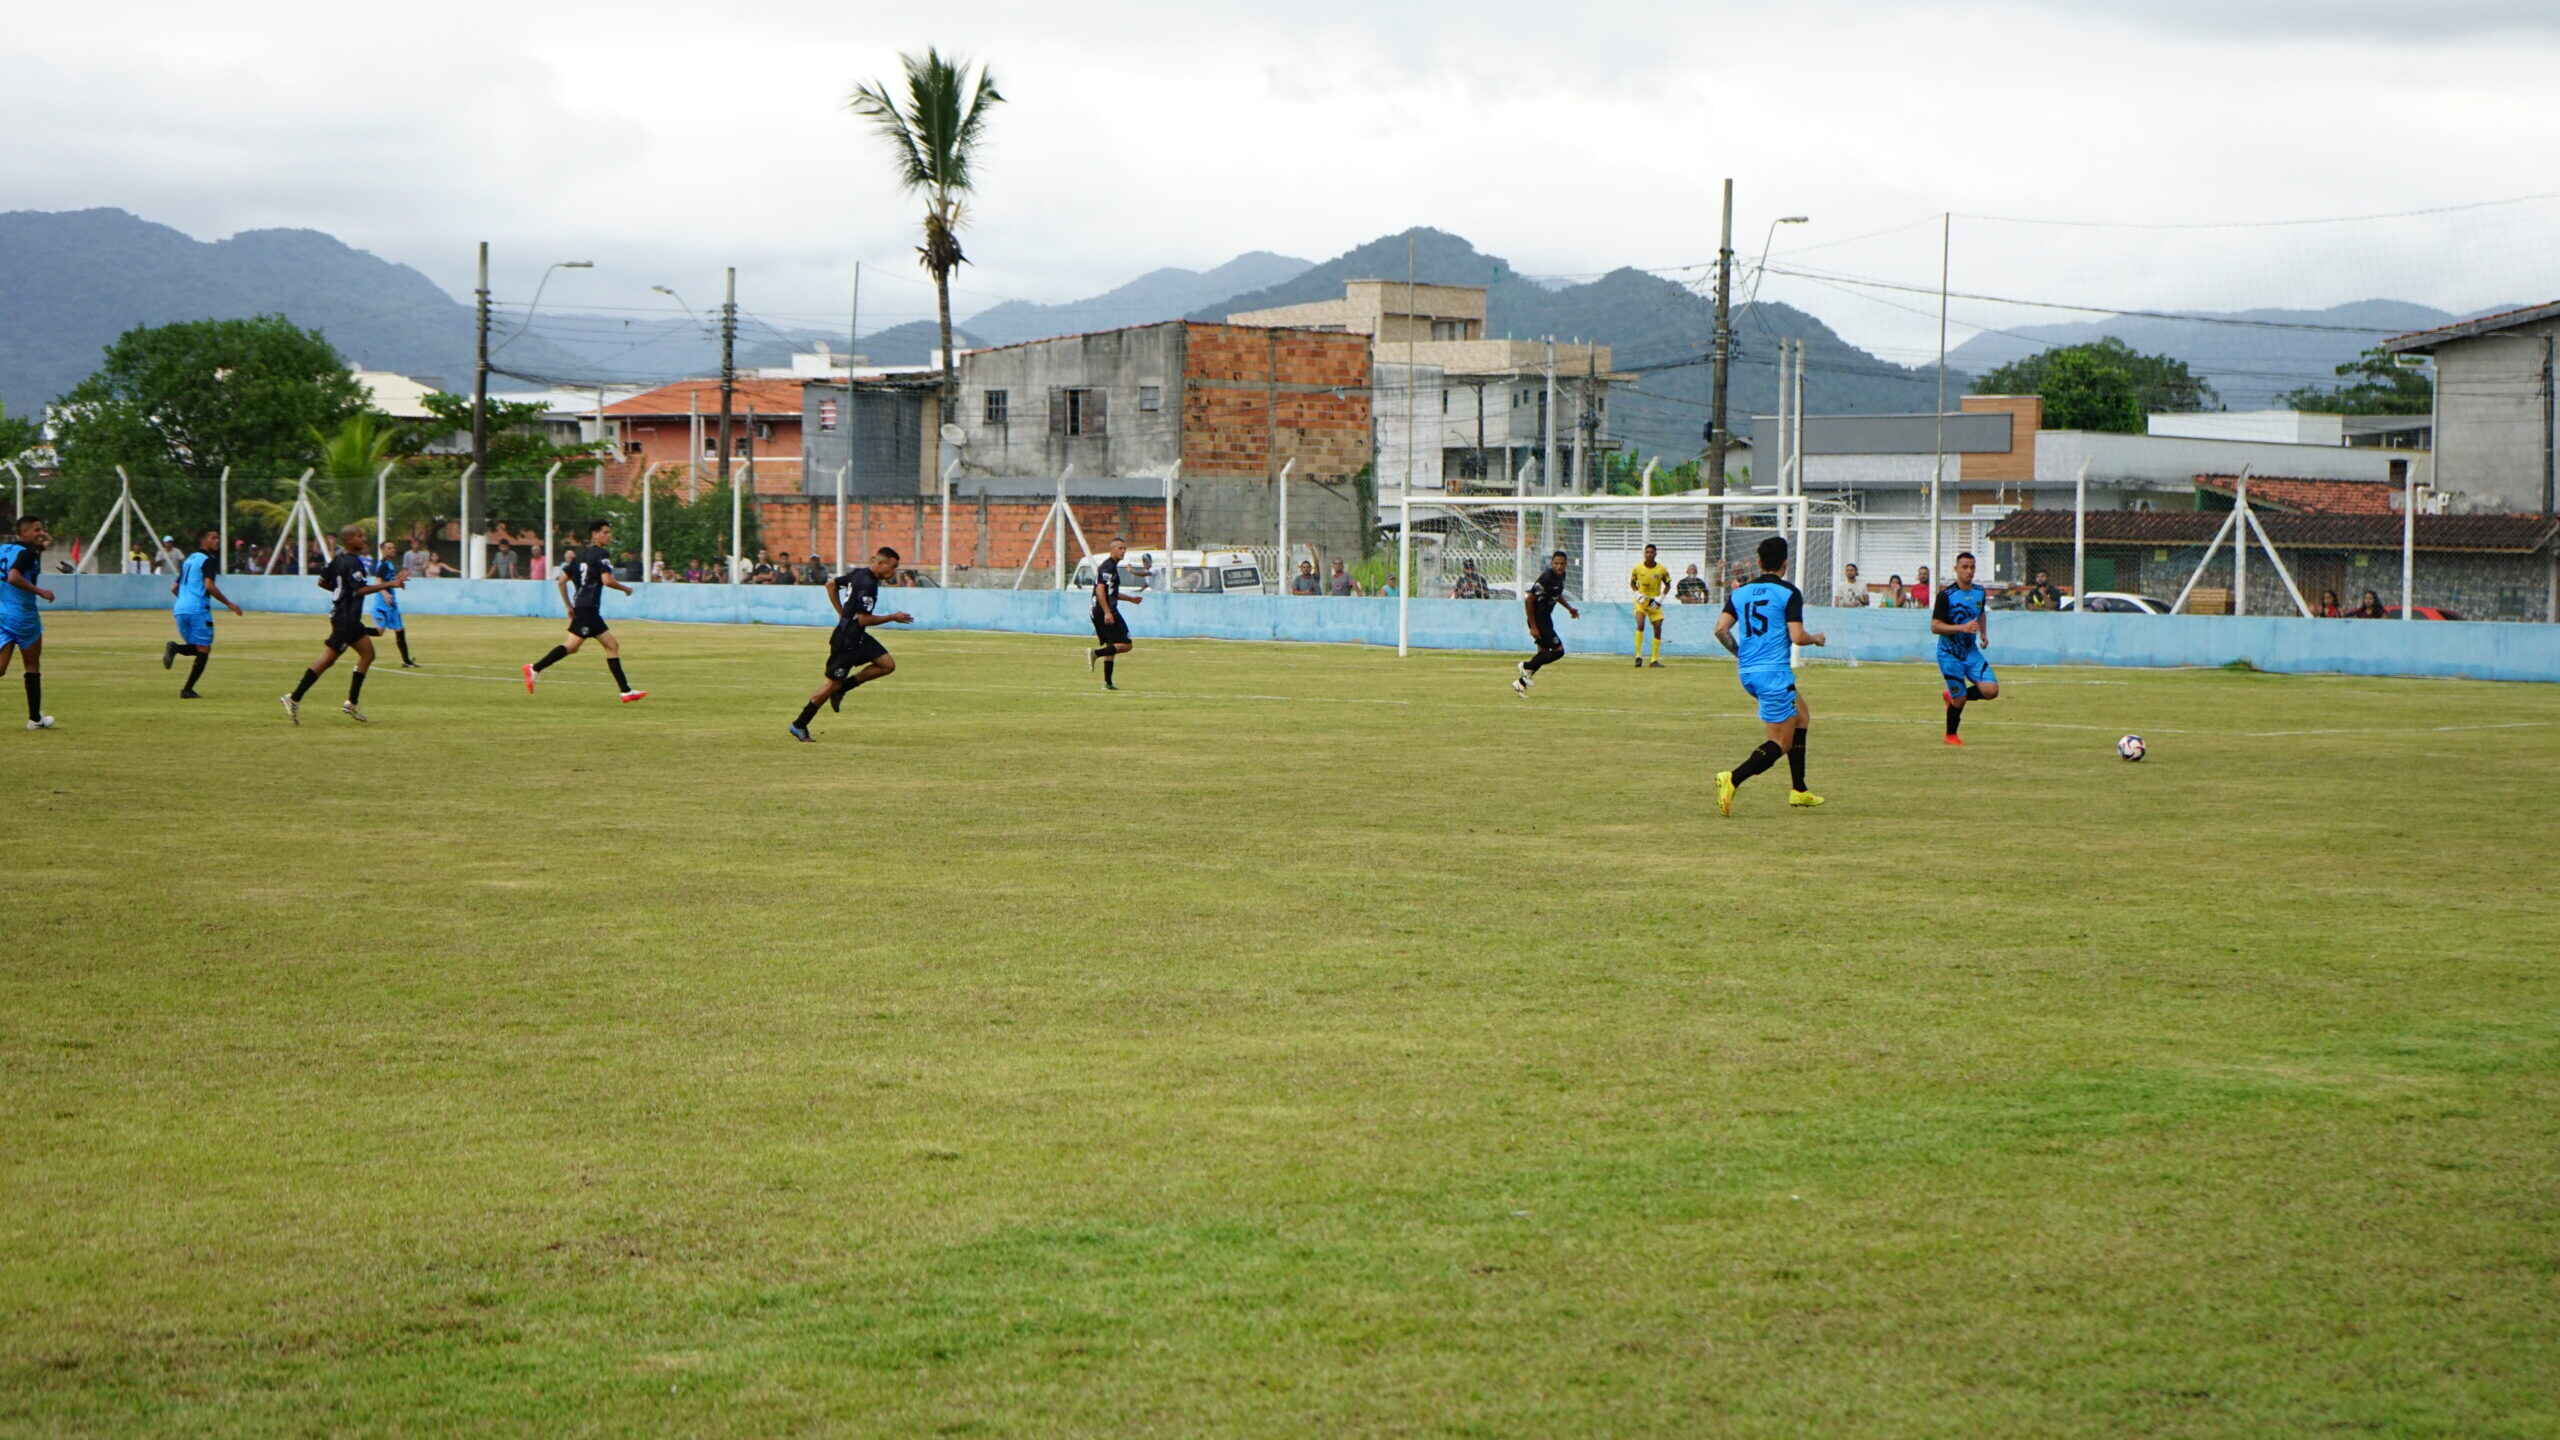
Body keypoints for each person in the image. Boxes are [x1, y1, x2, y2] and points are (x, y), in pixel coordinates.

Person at [1712, 535, 1826, 815]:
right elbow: (1797, 637)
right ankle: (1733, 778)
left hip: (1748, 672)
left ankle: (1799, 790)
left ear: (1760, 562)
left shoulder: (1740, 593)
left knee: (1802, 716)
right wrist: (1817, 639)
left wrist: (1742, 654)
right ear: (1785, 564)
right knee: (1781, 743)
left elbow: (1720, 630)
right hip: (1773, 674)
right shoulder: (1788, 592)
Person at [788, 546, 914, 741]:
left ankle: (843, 689)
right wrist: (892, 617)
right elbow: (863, 619)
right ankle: (799, 724)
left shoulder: (860, 574)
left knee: (887, 665)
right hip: (846, 641)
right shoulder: (868, 584)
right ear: (880, 563)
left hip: (857, 636)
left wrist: (842, 614)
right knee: (831, 685)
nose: (893, 572)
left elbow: (831, 585)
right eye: (892, 567)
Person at [281, 526, 401, 724]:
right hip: (345, 618)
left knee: (368, 654)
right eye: (360, 536)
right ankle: (293, 697)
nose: (364, 539)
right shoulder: (354, 563)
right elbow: (361, 589)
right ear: (349, 540)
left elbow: (322, 582)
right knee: (328, 659)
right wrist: (390, 584)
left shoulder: (336, 560)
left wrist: (340, 591)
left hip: (347, 618)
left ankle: (351, 703)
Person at [524, 519, 646, 702]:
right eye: (605, 532)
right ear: (595, 534)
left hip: (584, 607)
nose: (608, 536)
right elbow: (607, 580)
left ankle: (626, 691)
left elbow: (561, 581)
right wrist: (626, 589)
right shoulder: (602, 554)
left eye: (608, 532)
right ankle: (535, 668)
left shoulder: (579, 555)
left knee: (594, 646)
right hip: (588, 608)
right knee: (596, 646)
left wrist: (569, 606)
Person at [162, 528, 244, 698]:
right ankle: (186, 688)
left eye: (218, 538)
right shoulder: (208, 560)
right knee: (204, 648)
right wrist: (230, 604)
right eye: (213, 538)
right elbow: (209, 586)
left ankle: (178, 658)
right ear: (203, 541)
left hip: (180, 608)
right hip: (197, 609)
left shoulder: (190, 560)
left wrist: (185, 600)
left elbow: (174, 587)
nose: (217, 541)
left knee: (199, 648)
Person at [1932, 550, 2000, 746]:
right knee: (1960, 700)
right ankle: (1950, 735)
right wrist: (1962, 627)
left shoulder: (1979, 592)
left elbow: (1980, 614)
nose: (1969, 571)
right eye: (1964, 567)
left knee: (1991, 690)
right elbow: (1935, 626)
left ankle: (1952, 695)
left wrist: (1984, 634)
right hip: (1949, 654)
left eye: (1972, 567)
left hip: (1970, 652)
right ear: (1956, 569)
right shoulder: (1946, 596)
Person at [1, 514, 57, 730]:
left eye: (41, 529)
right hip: (23, 616)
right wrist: (40, 591)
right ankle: (35, 719)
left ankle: (36, 718)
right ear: (23, 533)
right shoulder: (27, 554)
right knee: (32, 665)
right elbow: (14, 577)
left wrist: (41, 535)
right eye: (35, 529)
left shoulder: (5, 549)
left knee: (1, 668)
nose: (40, 533)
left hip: (2, 613)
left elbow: (46, 542)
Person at [1511, 549, 1579, 697]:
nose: (1559, 566)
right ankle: (1525, 666)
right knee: (1558, 651)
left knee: (1542, 654)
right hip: (1539, 620)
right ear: (1551, 563)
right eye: (1556, 563)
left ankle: (1520, 684)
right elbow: (1529, 599)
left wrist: (1569, 608)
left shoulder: (1561, 577)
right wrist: (1533, 626)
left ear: (1566, 565)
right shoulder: (1546, 577)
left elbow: (1557, 593)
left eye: (1562, 564)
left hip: (1546, 618)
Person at [1084, 536, 1143, 690]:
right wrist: (1107, 612)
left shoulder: (1112, 567)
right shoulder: (1107, 567)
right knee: (1126, 644)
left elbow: (1112, 592)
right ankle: (1096, 653)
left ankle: (1108, 683)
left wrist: (1130, 599)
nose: (1123, 551)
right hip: (1104, 610)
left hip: (1102, 610)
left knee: (1113, 644)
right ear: (1112, 549)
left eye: (1124, 549)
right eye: (1120, 548)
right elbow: (1100, 590)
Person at [369, 549, 418, 668]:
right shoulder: (383, 565)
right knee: (380, 632)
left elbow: (389, 581)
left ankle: (406, 661)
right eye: (389, 548)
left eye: (393, 548)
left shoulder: (390, 564)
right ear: (383, 550)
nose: (392, 550)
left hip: (392, 605)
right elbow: (378, 581)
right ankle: (353, 632)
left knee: (400, 630)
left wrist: (399, 580)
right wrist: (385, 594)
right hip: (382, 605)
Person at [1629, 542, 1672, 667]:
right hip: (1641, 602)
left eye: (1651, 552)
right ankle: (1638, 656)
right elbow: (1632, 583)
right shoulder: (1637, 568)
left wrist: (1660, 599)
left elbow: (1668, 584)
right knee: (1640, 624)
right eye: (1647, 552)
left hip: (1654, 603)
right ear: (1644, 554)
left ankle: (1654, 660)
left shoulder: (1661, 569)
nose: (1649, 554)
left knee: (1658, 628)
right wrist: (1637, 594)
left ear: (1655, 554)